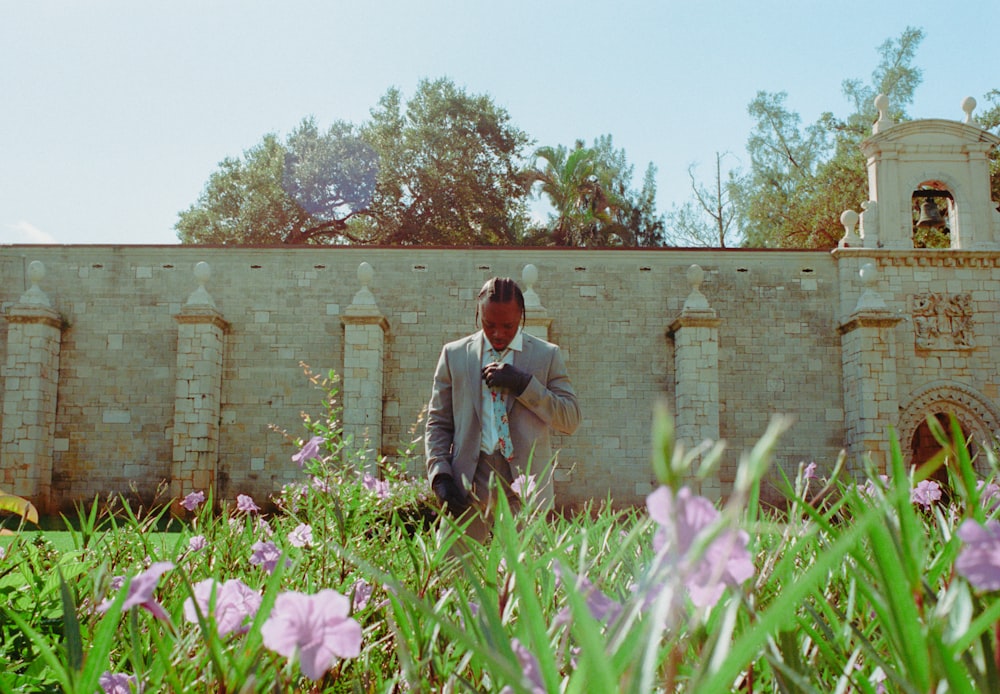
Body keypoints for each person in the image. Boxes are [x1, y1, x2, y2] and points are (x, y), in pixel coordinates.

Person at [424, 276, 581, 541]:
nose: (498, 333)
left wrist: (524, 385)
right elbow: (438, 423)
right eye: (488, 325)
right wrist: (440, 475)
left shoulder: (546, 355)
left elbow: (570, 418)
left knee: (527, 578)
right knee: (454, 574)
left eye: (508, 326)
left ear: (521, 317)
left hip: (526, 485)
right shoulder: (454, 354)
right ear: (478, 315)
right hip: (467, 483)